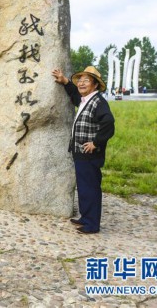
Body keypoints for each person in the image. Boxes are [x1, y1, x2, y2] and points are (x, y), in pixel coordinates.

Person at [52, 66, 115, 234]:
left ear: (95, 85)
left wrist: (96, 142)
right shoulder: (85, 100)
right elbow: (74, 95)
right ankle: (86, 218)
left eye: (86, 80)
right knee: (84, 187)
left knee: (91, 188)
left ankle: (92, 224)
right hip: (81, 153)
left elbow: (108, 123)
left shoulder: (98, 102)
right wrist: (65, 81)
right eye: (80, 80)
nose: (81, 83)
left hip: (90, 154)